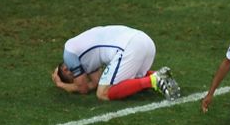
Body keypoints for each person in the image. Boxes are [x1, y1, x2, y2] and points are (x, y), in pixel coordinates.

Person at [51, 24, 180, 101]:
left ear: (66, 68)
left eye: (71, 74)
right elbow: (95, 83)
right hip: (145, 41)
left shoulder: (69, 52)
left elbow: (83, 88)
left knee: (103, 94)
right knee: (123, 84)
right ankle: (161, 77)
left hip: (130, 46)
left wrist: (60, 84)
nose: (70, 71)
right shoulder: (85, 59)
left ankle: (153, 80)